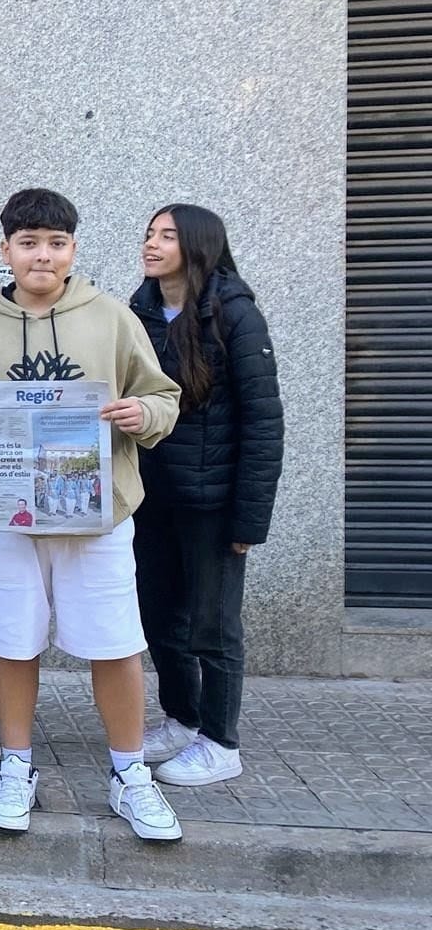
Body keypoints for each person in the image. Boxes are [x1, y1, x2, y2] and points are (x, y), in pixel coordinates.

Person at [0, 188, 185, 843]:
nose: (42, 255)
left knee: (115, 641)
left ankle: (130, 773)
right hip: (8, 514)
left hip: (97, 513)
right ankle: (16, 765)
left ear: (73, 248)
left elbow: (163, 396)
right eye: (28, 243)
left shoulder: (112, 318)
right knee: (12, 640)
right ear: (7, 249)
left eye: (56, 242)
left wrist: (142, 413)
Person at [131, 204, 283, 788]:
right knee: (158, 616)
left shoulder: (235, 313)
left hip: (213, 502)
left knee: (213, 627)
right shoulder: (141, 310)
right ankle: (182, 718)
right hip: (153, 497)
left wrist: (249, 519)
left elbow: (263, 420)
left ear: (198, 246)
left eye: (167, 236)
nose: (152, 244)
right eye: (149, 234)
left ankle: (221, 743)